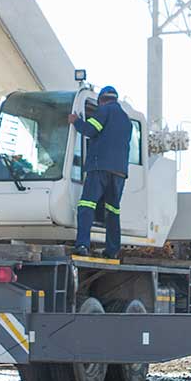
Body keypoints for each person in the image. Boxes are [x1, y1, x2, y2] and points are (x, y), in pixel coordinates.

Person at [69, 85, 132, 258]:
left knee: (86, 205)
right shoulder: (126, 119)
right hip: (119, 172)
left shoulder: (104, 111)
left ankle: (82, 244)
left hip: (99, 168)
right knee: (112, 211)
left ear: (101, 100)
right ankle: (112, 250)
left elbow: (89, 130)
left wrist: (76, 121)